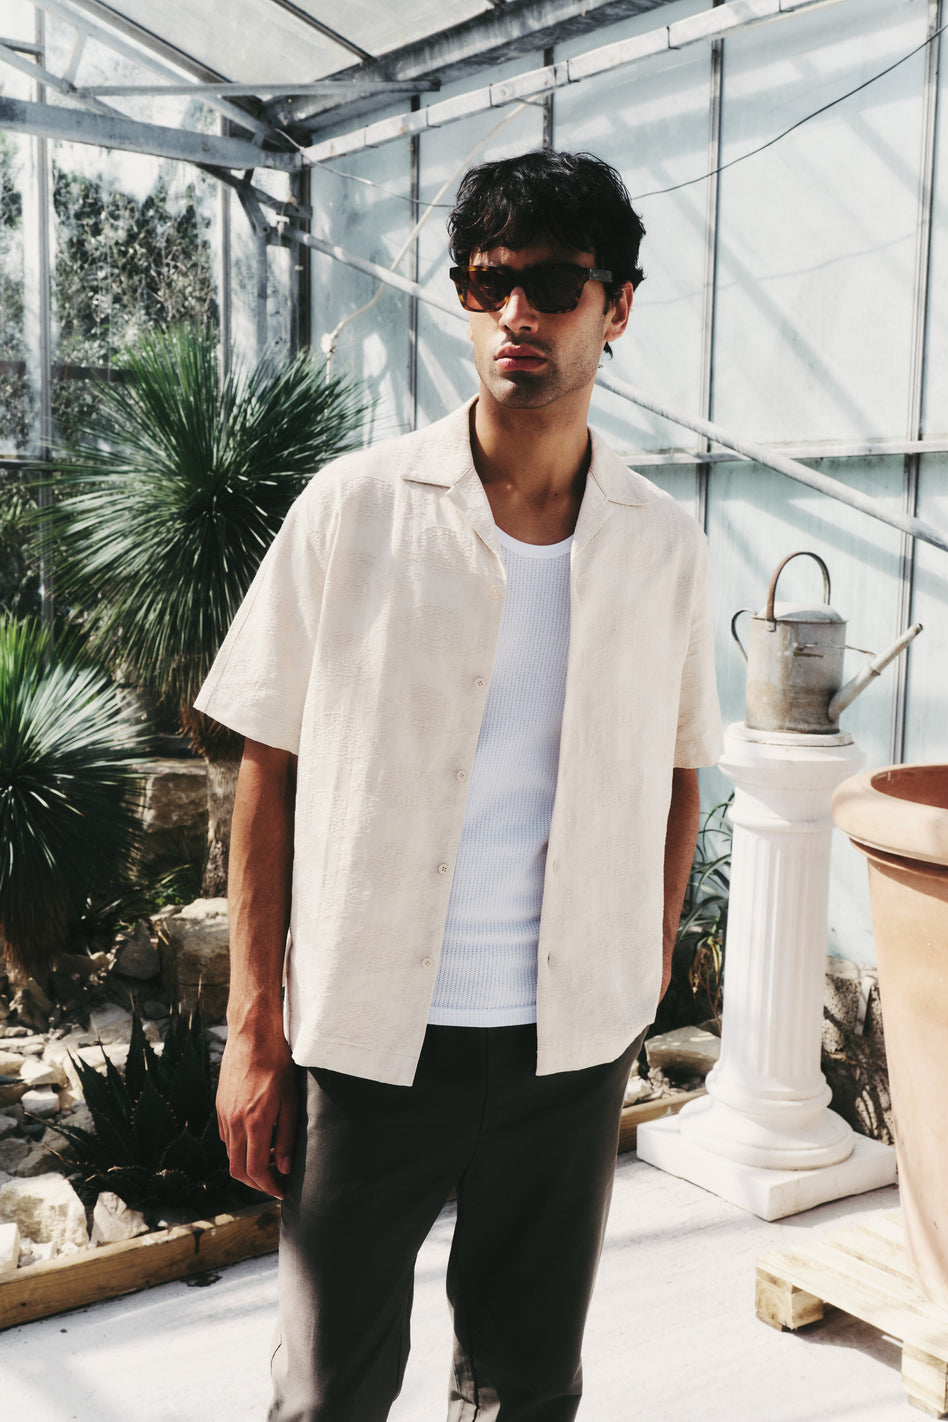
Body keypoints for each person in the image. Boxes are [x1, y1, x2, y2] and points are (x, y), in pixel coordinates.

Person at [196, 148, 722, 1422]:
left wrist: (643, 963)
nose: (516, 315)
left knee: (526, 1388)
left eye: (555, 285)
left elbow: (678, 770)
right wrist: (255, 1027)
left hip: (568, 1049)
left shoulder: (660, 542)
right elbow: (269, 763)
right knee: (328, 1393)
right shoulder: (356, 508)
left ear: (618, 306)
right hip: (373, 1039)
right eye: (488, 284)